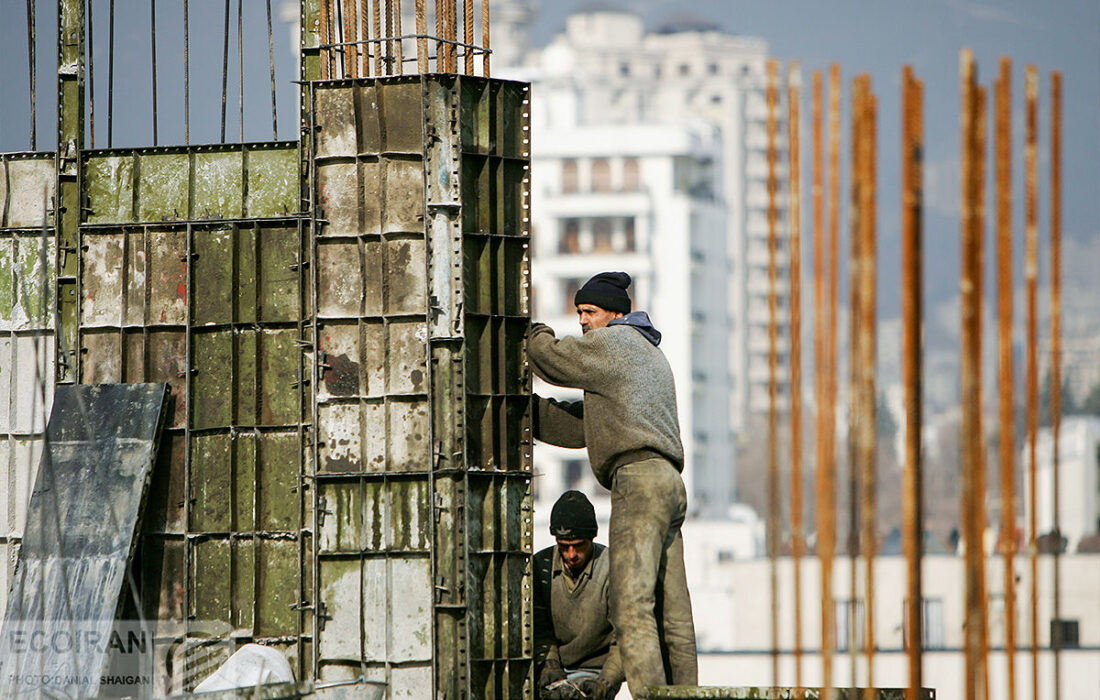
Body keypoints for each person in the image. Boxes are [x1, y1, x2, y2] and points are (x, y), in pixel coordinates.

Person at [527, 272, 698, 697]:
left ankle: (649, 695)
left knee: (630, 605)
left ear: (616, 315)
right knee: (672, 612)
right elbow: (584, 426)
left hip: (638, 482)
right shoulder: (647, 353)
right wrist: (527, 414)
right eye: (579, 313)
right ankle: (686, 693)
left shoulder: (615, 342)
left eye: (589, 312)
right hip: (669, 483)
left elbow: (551, 360)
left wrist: (532, 332)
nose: (583, 321)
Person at [534, 491, 623, 700]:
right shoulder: (541, 567)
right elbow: (538, 628)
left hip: (597, 673)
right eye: (564, 547)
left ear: (592, 538)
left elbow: (626, 638)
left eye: (579, 545)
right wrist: (549, 666)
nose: (571, 554)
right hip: (554, 672)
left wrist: (604, 682)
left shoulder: (613, 568)